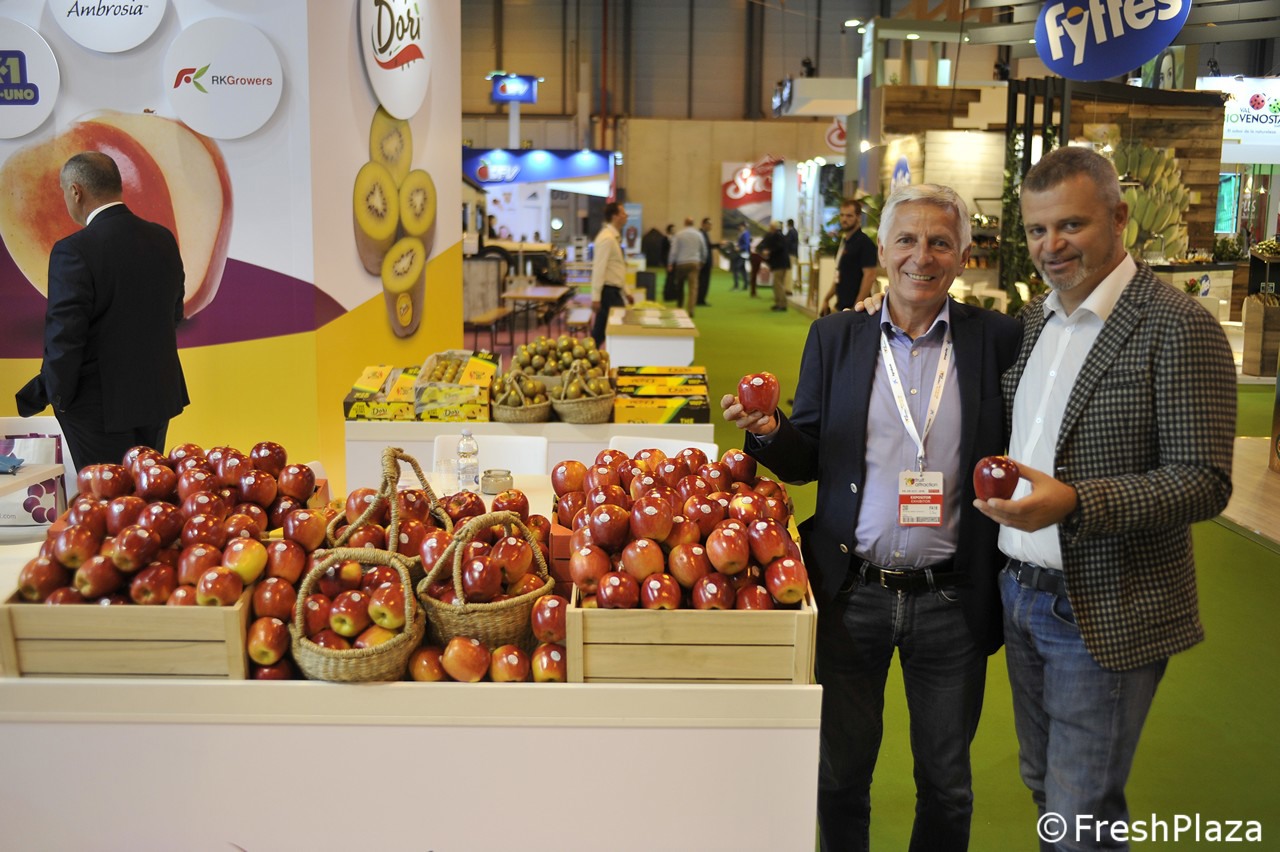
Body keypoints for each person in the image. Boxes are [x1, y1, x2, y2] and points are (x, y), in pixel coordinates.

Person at [722, 185, 1021, 851]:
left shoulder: (997, 339)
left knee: (947, 784)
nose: (922, 256)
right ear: (881, 251)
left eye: (940, 242)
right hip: (851, 593)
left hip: (952, 598)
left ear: (963, 256)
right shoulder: (836, 337)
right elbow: (807, 458)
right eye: (906, 240)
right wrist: (769, 431)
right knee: (839, 778)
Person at [974, 146, 1236, 852]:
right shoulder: (1035, 321)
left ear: (1119, 219)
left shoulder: (1177, 326)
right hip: (1021, 596)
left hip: (1104, 604)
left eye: (1072, 225)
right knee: (1045, 788)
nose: (1051, 246)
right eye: (1037, 230)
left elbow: (1206, 479)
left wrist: (1077, 502)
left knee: (1079, 810)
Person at [15, 151, 188, 471]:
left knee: (107, 498)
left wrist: (56, 397)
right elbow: (173, 313)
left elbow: (65, 338)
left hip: (96, 407)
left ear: (76, 191)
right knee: (147, 495)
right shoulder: (162, 239)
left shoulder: (74, 250)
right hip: (156, 396)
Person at [822, 198, 879, 315]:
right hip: (841, 306)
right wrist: (827, 298)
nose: (844, 219)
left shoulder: (865, 243)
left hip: (857, 310)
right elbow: (839, 275)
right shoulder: (845, 242)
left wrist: (856, 308)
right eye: (842, 215)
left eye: (849, 216)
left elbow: (869, 276)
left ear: (858, 217)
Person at [589, 201, 632, 346]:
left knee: (599, 333)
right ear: (615, 216)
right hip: (608, 293)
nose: (626, 215)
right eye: (623, 213)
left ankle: (586, 355)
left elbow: (616, 269)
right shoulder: (607, 239)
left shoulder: (612, 238)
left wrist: (626, 291)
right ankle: (585, 356)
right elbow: (599, 269)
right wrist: (595, 297)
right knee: (614, 330)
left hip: (613, 292)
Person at [667, 217, 706, 317]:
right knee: (693, 288)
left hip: (681, 263)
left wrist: (670, 262)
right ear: (693, 223)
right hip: (694, 262)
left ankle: (680, 306)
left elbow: (674, 250)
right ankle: (691, 309)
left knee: (680, 286)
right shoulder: (698, 234)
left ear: (685, 223)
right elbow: (704, 249)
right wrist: (702, 261)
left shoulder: (679, 234)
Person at [757, 221, 792, 312]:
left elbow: (779, 247)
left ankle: (782, 304)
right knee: (777, 284)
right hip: (779, 264)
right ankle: (778, 303)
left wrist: (769, 251)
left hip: (780, 264)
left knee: (778, 284)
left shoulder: (778, 235)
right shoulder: (776, 235)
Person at [696, 217, 714, 307]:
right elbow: (705, 247)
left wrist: (718, 245)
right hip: (703, 262)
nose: (711, 226)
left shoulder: (705, 234)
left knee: (704, 282)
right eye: (709, 224)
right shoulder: (701, 234)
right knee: (702, 282)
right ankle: (700, 299)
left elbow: (708, 246)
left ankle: (701, 299)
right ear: (704, 224)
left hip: (706, 262)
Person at [731, 222, 751, 290]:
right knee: (743, 269)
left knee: (736, 268)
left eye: (740, 226)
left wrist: (740, 248)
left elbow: (746, 244)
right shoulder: (741, 233)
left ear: (743, 226)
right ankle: (745, 285)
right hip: (741, 253)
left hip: (743, 253)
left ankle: (736, 285)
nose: (739, 227)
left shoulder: (745, 234)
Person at [785, 218, 800, 294]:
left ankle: (789, 289)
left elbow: (788, 243)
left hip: (790, 254)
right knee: (789, 272)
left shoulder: (791, 232)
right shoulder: (795, 231)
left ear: (788, 224)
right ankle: (788, 288)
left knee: (789, 272)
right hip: (793, 254)